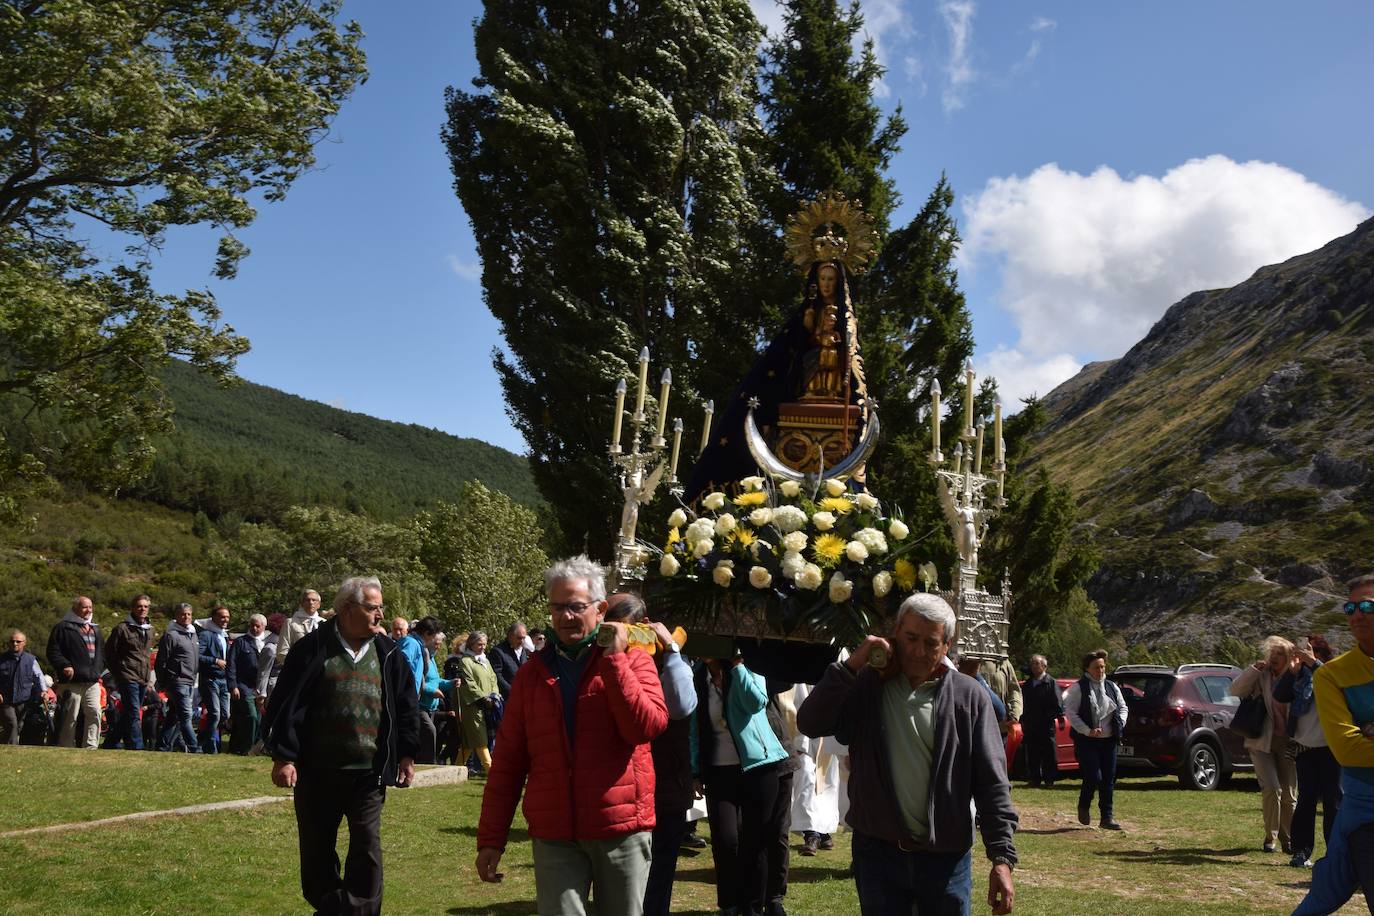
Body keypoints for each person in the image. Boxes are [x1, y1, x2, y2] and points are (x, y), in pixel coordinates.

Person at [797, 593, 1017, 915]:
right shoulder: (867, 685)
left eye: (931, 643)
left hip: (946, 858)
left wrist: (1002, 858)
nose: (918, 651)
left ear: (947, 645)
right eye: (911, 637)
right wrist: (850, 666)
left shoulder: (969, 697)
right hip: (878, 854)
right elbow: (810, 722)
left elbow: (992, 783)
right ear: (895, 631)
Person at [475, 555, 667, 916]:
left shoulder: (634, 659)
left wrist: (613, 661)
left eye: (576, 607)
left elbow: (646, 727)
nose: (565, 616)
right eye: (557, 607)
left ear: (600, 609)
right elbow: (508, 764)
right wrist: (491, 838)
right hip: (555, 832)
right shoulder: (533, 675)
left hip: (620, 827)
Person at [263, 575, 420, 916]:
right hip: (317, 772)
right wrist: (284, 756)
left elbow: (407, 706)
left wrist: (406, 754)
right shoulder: (312, 648)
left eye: (380, 608)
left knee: (367, 850)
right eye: (372, 608)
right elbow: (287, 705)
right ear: (347, 609)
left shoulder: (389, 654)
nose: (380, 615)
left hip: (369, 774)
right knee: (317, 856)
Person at [604, 592, 697, 916]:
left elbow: (682, 705)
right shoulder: (605, 657)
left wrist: (670, 649)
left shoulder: (669, 656)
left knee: (658, 879)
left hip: (665, 787)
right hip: (618, 789)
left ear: (642, 626)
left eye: (623, 628)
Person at [1293, 575, 1374, 915]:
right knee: (1324, 894)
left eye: (1367, 605)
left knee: (1324, 892)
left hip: (1355, 814)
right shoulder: (1332, 674)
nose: (1357, 614)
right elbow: (1347, 749)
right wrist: (1360, 737)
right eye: (1350, 607)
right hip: (1365, 814)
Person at [694, 649, 795, 916]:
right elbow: (695, 725)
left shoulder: (750, 667)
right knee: (726, 840)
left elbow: (756, 702)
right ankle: (729, 904)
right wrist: (695, 770)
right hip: (719, 770)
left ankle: (753, 906)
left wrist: (738, 666)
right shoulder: (697, 677)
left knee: (756, 839)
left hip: (758, 766)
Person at [1275, 635, 1341, 868]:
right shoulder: (1300, 677)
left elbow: (1336, 683)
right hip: (1305, 748)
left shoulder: (1331, 672)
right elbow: (1279, 695)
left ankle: (1335, 853)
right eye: (1302, 653)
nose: (1304, 657)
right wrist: (1292, 672)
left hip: (1331, 748)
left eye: (1311, 652)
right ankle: (1301, 851)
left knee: (1333, 802)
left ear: (1321, 654)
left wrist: (1314, 664)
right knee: (1306, 801)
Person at [1229, 635, 1298, 852]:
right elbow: (1235, 690)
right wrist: (1253, 670)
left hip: (1289, 741)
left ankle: (1289, 840)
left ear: (1289, 657)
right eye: (1273, 653)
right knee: (1271, 788)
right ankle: (1271, 838)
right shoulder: (1262, 675)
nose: (1275, 658)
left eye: (1281, 654)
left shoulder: (1296, 677)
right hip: (1261, 740)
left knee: (1289, 795)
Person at [1063, 650, 1127, 831]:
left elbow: (1123, 707)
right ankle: (1084, 804)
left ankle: (1107, 817)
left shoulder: (1111, 687)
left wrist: (1120, 724)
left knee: (1108, 778)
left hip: (1109, 740)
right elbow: (1071, 713)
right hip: (1087, 741)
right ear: (1087, 668)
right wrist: (1087, 730)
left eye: (1103, 667)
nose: (1100, 670)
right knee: (1093, 776)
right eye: (1096, 667)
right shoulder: (1078, 688)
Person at [47, 595, 105, 749]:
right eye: (84, 607)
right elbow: (53, 651)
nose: (88, 610)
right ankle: (66, 746)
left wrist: (98, 670)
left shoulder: (95, 628)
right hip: (72, 682)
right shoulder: (63, 627)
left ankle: (91, 746)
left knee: (95, 713)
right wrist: (64, 665)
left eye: (90, 607)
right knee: (70, 717)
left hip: (92, 682)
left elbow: (102, 654)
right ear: (75, 608)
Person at [103, 595, 155, 750]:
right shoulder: (122, 628)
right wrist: (119, 673)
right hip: (127, 676)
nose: (142, 609)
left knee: (129, 713)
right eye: (139, 606)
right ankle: (136, 746)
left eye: (146, 606)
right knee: (133, 712)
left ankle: (111, 742)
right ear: (132, 608)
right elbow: (109, 653)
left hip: (143, 677)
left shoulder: (150, 630)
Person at [155, 603, 201, 752]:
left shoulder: (193, 634)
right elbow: (161, 661)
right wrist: (163, 682)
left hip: (189, 681)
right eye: (182, 614)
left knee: (174, 716)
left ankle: (162, 745)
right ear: (176, 616)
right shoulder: (171, 635)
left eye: (188, 614)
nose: (186, 617)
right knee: (186, 715)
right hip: (177, 681)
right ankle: (194, 747)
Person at [227, 613, 268, 755]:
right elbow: (231, 664)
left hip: (261, 686)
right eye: (252, 625)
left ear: (264, 626)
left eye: (258, 626)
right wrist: (233, 686)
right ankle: (247, 748)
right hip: (244, 686)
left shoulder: (268, 642)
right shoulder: (241, 642)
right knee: (251, 716)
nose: (254, 628)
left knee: (260, 718)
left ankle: (254, 748)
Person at [1020, 654, 1064, 788]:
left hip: (1046, 726)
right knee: (1032, 754)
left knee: (1048, 754)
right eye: (1032, 664)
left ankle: (1049, 780)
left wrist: (1047, 717)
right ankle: (1034, 779)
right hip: (1031, 725)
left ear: (1044, 666)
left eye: (1036, 664)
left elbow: (1058, 705)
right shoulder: (1028, 685)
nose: (1033, 666)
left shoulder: (1051, 683)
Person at [459, 631, 500, 773]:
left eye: (484, 644)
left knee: (469, 742)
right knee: (479, 738)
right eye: (479, 644)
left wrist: (494, 695)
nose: (482, 647)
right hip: (473, 706)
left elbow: (493, 678)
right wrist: (483, 698)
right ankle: (492, 770)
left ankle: (456, 768)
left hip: (489, 705)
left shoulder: (485, 660)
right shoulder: (465, 661)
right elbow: (469, 683)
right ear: (471, 644)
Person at [197, 604, 232, 754]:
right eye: (222, 616)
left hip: (223, 680)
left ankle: (201, 739)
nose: (225, 620)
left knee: (225, 714)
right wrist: (215, 660)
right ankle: (210, 747)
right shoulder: (206, 635)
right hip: (210, 679)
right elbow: (197, 656)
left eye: (227, 617)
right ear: (214, 618)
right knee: (215, 713)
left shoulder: (224, 635)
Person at [1, 630, 46, 745]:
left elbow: (39, 676)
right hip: (5, 700)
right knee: (12, 724)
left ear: (24, 643)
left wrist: (43, 691)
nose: (15, 643)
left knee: (18, 726)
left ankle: (4, 744)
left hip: (23, 699)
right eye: (12, 641)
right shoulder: (2, 659)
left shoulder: (31, 660)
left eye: (18, 641)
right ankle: (13, 751)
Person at [979, 656, 1024, 739]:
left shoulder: (1003, 662)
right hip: (976, 726)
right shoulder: (965, 659)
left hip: (1001, 727)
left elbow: (1014, 690)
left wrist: (1014, 714)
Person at [278, 588, 323, 668]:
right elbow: (282, 652)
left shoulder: (324, 623)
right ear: (302, 603)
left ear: (319, 604)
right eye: (307, 600)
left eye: (314, 600)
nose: (311, 602)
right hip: (297, 670)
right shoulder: (290, 623)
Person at [490, 621, 529, 700]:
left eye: (523, 638)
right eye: (519, 638)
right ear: (510, 636)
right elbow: (497, 676)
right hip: (507, 698)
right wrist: (513, 691)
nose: (522, 641)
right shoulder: (498, 651)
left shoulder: (523, 651)